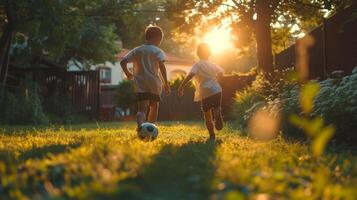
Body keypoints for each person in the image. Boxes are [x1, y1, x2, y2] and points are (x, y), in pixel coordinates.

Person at [120, 25, 170, 130]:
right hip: (154, 83)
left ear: (146, 37)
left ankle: (141, 128)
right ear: (158, 39)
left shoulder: (137, 50)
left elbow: (123, 62)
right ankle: (151, 128)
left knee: (141, 110)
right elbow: (162, 67)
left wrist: (128, 73)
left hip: (140, 83)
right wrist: (166, 82)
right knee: (154, 106)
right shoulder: (157, 51)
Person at [178, 43, 224, 140]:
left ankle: (212, 135)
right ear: (209, 53)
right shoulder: (213, 64)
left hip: (205, 92)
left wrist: (181, 86)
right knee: (216, 107)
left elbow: (190, 75)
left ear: (198, 53)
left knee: (207, 115)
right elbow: (221, 72)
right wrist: (217, 81)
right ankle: (217, 113)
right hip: (216, 90)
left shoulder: (197, 65)